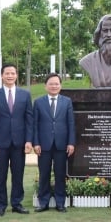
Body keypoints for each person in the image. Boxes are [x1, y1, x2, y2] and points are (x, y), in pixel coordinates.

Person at [0, 63, 33, 217]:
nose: (10, 76)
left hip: (19, 143)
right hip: (0, 144)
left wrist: (28, 140)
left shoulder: (25, 95)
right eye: (7, 73)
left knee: (18, 174)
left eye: (13, 73)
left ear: (16, 75)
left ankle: (17, 203)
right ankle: (1, 205)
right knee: (0, 175)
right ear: (2, 75)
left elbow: (29, 120)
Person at [32, 73, 76, 213]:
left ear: (60, 86)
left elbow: (70, 123)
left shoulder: (67, 101)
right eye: (51, 83)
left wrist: (71, 143)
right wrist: (36, 143)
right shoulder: (38, 102)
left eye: (57, 83)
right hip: (43, 145)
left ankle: (60, 203)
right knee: (44, 174)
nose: (54, 86)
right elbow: (35, 125)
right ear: (46, 86)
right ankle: (43, 203)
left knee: (60, 174)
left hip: (61, 145)